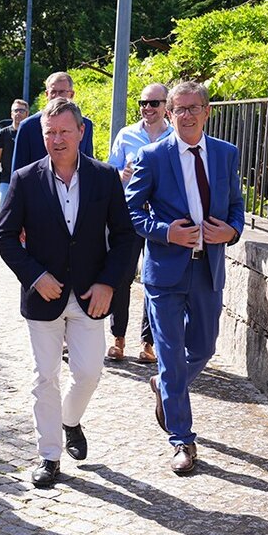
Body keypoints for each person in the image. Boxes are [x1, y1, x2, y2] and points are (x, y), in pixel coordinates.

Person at [0, 98, 136, 488]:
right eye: (50, 133)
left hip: (91, 295)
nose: (57, 140)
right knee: (45, 377)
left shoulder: (104, 178)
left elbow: (125, 237)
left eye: (64, 132)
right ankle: (49, 455)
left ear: (81, 132)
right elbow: (5, 237)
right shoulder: (25, 179)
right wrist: (35, 276)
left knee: (89, 373)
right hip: (43, 298)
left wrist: (109, 283)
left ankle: (70, 420)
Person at [124, 81, 244, 475]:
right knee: (171, 354)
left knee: (204, 348)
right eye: (179, 109)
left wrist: (232, 231)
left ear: (207, 111)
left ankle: (165, 385)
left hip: (208, 268)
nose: (187, 115)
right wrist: (165, 232)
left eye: (194, 108)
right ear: (170, 113)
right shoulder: (152, 156)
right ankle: (182, 440)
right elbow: (130, 211)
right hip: (165, 273)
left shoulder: (226, 154)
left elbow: (236, 206)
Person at [106, 83, 173, 363]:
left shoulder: (175, 136)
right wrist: (121, 175)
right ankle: (118, 338)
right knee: (122, 276)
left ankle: (148, 343)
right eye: (143, 103)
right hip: (130, 214)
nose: (147, 108)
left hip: (161, 216)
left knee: (153, 280)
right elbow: (109, 171)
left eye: (154, 103)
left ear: (166, 106)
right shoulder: (126, 135)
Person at [12, 72, 94, 171]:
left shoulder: (85, 125)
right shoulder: (28, 126)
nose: (57, 96)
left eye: (62, 92)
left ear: (71, 94)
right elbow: (18, 169)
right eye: (53, 92)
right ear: (47, 94)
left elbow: (89, 164)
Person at [0, 99, 29, 209]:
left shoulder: (30, 133)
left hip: (27, 180)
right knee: (2, 210)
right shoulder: (3, 134)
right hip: (6, 179)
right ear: (11, 114)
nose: (18, 113)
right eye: (16, 110)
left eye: (21, 111)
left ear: (27, 114)